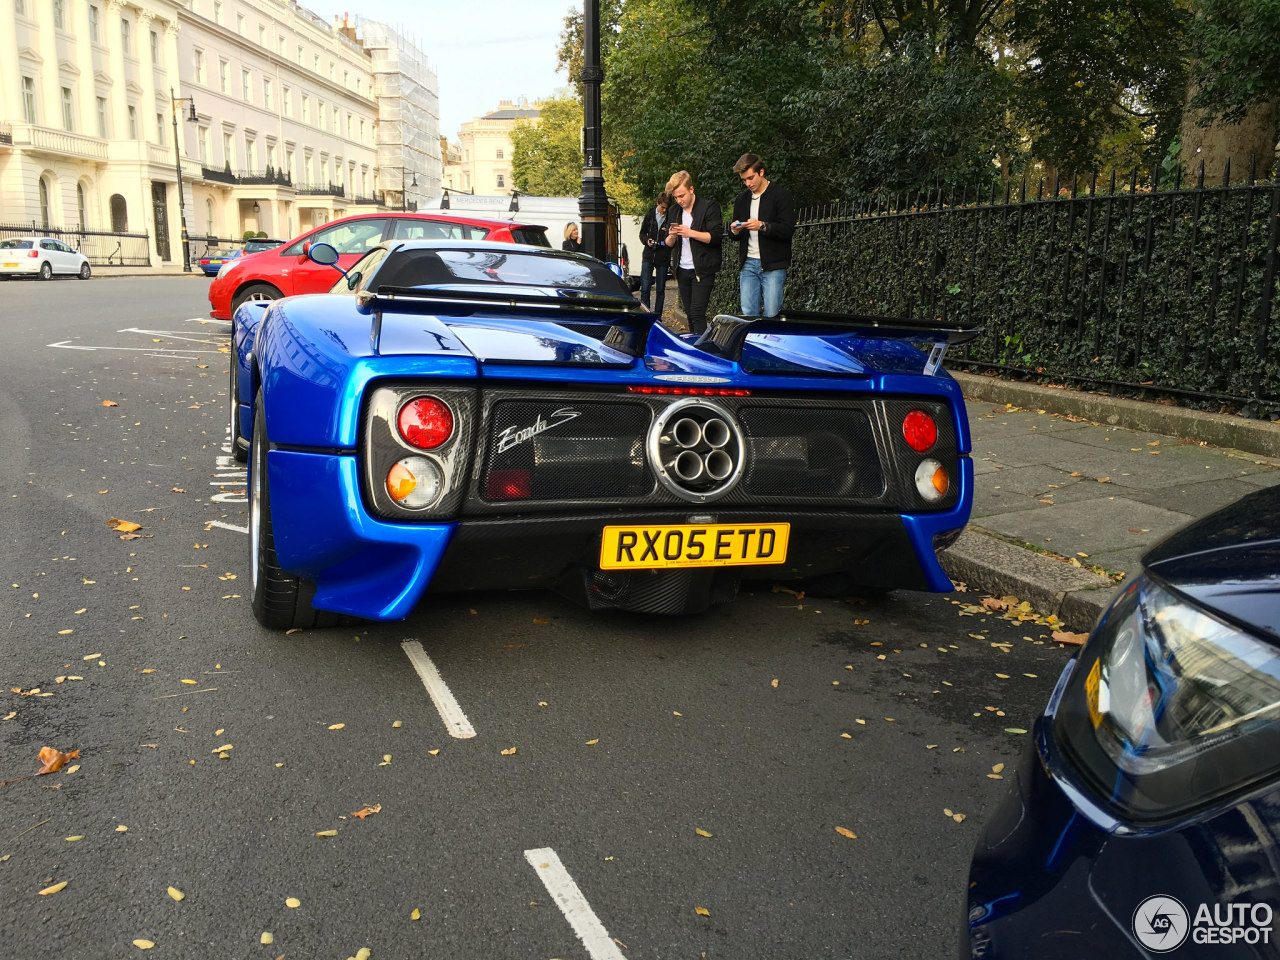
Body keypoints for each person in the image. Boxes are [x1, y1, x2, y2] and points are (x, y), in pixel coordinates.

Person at [729, 153, 796, 317]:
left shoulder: (781, 195)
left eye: (750, 178)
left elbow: (787, 229)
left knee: (772, 315)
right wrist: (735, 230)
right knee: (748, 315)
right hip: (748, 264)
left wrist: (763, 226)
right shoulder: (741, 200)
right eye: (744, 180)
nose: (748, 183)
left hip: (773, 265)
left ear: (761, 172)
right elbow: (735, 237)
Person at [664, 170, 722, 336]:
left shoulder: (708, 207)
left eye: (682, 195)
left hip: (703, 269)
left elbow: (716, 237)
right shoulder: (674, 211)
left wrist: (690, 233)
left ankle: (701, 350)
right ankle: (694, 345)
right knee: (690, 313)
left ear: (691, 189)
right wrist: (672, 235)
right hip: (682, 269)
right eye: (676, 197)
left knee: (697, 312)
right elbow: (668, 244)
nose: (679, 200)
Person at [638, 192, 671, 316]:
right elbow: (642, 233)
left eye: (666, 208)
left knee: (660, 290)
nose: (664, 211)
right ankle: (645, 315)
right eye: (662, 207)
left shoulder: (670, 217)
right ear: (658, 203)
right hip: (648, 255)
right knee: (645, 288)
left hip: (663, 256)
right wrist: (647, 241)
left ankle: (657, 317)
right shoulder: (650, 215)